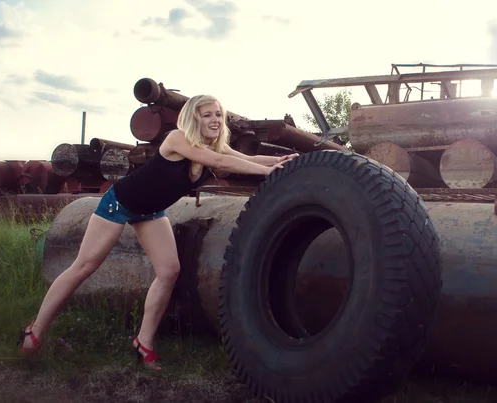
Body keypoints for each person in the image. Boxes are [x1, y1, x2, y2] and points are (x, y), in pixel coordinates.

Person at [17, 95, 299, 371]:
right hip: (120, 204)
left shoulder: (214, 146)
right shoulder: (177, 138)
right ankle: (34, 331)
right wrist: (266, 173)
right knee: (84, 266)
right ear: (193, 118)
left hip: (150, 212)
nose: (215, 120)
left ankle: (144, 342)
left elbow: (244, 158)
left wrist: (282, 161)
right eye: (207, 114)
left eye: (218, 114)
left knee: (168, 271)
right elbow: (223, 164)